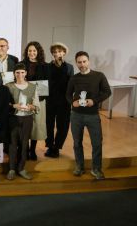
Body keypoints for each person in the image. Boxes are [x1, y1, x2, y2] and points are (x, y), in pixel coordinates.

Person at [66, 51, 111, 180]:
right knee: (77, 143)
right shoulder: (74, 78)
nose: (82, 64)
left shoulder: (99, 76)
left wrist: (94, 101)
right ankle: (79, 167)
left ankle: (96, 169)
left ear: (89, 61)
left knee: (97, 143)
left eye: (84, 61)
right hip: (76, 116)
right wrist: (72, 102)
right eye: (79, 62)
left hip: (92, 116)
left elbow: (107, 92)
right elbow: (68, 95)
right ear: (76, 63)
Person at [6, 63, 39, 180]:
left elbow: (37, 105)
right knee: (12, 144)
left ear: (26, 73)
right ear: (14, 74)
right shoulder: (8, 86)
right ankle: (11, 169)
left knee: (24, 144)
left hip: (27, 118)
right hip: (13, 118)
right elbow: (5, 104)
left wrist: (32, 107)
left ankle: (21, 168)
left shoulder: (32, 86)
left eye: (22, 72)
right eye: (17, 72)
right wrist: (13, 105)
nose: (20, 75)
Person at [45, 42, 74, 158]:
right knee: (49, 125)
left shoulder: (69, 67)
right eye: (55, 52)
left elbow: (71, 84)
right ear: (52, 54)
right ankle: (50, 146)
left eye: (60, 51)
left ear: (64, 53)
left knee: (63, 125)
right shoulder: (47, 67)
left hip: (64, 101)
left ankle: (57, 147)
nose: (57, 53)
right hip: (50, 100)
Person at [21, 41, 49, 160]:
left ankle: (33, 150)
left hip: (39, 100)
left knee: (36, 125)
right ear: (27, 52)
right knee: (25, 125)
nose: (31, 53)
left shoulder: (45, 66)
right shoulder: (21, 64)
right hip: (24, 99)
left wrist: (38, 98)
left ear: (38, 52)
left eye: (34, 51)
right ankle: (25, 150)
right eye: (29, 50)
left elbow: (47, 84)